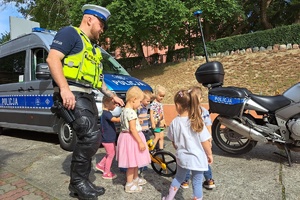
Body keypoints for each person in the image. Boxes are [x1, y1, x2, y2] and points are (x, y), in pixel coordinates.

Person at [46, 4, 124, 200]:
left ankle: (82, 182)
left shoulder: (93, 48)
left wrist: (111, 94)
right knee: (90, 136)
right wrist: (64, 89)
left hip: (86, 95)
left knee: (92, 137)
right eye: (101, 24)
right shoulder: (69, 33)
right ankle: (78, 183)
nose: (102, 29)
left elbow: (97, 79)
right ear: (89, 19)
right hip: (71, 93)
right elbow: (52, 59)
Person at [162, 90, 213, 200]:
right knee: (197, 182)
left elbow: (173, 139)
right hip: (198, 159)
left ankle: (169, 198)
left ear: (177, 105)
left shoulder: (175, 122)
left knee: (178, 178)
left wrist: (177, 147)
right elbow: (205, 141)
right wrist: (209, 154)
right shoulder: (197, 121)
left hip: (182, 157)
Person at [116, 86, 151, 193]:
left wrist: (137, 123)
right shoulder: (131, 112)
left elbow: (128, 124)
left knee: (134, 161)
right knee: (132, 163)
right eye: (140, 101)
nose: (140, 104)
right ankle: (129, 184)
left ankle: (135, 179)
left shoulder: (124, 110)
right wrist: (140, 141)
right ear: (133, 99)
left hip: (127, 138)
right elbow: (132, 128)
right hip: (132, 139)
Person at [181, 86, 216, 190]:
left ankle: (185, 181)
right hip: (203, 141)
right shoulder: (204, 111)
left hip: (190, 142)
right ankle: (209, 180)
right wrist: (209, 139)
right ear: (199, 99)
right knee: (204, 161)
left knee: (188, 160)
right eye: (201, 98)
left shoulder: (186, 111)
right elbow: (208, 125)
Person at [95, 96, 120, 179]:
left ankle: (101, 165)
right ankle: (106, 172)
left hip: (108, 138)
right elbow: (114, 120)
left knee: (110, 153)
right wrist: (123, 117)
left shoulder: (106, 113)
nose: (116, 106)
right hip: (107, 139)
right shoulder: (107, 114)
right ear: (107, 103)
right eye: (114, 104)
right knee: (111, 154)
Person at [150, 85, 166, 151]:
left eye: (163, 96)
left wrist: (164, 120)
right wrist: (152, 123)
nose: (161, 98)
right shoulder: (154, 104)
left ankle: (161, 149)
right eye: (160, 96)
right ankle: (151, 149)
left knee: (161, 137)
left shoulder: (160, 104)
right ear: (156, 94)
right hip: (156, 123)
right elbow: (151, 114)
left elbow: (162, 113)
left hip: (160, 123)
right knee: (157, 136)